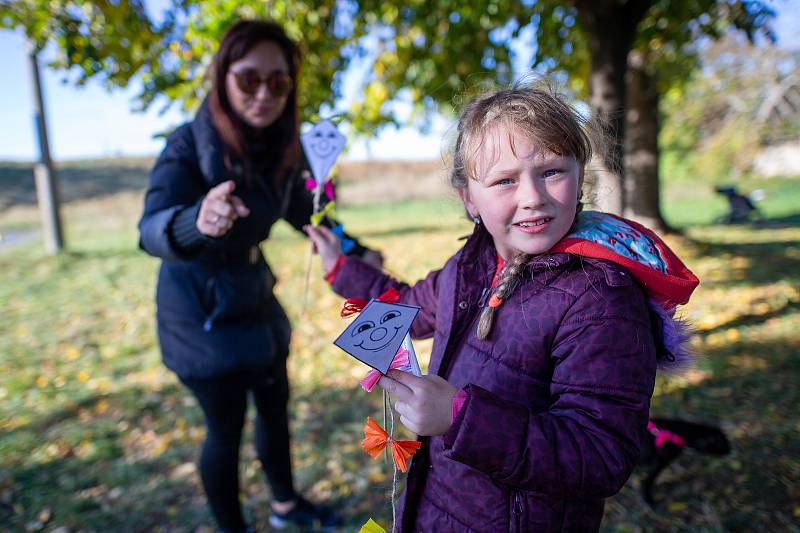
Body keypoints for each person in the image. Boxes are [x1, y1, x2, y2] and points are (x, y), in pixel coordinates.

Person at [306, 83, 698, 532]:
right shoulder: (469, 266)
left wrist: (458, 417)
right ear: (468, 198)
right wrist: (341, 270)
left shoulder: (601, 299)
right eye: (504, 180)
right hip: (440, 508)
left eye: (552, 171)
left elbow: (599, 455)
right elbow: (405, 307)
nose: (532, 196)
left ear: (580, 173)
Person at [138, 19, 382, 533]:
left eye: (278, 81)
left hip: (256, 303)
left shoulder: (283, 151)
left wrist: (356, 250)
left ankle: (286, 507)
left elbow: (306, 211)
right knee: (225, 430)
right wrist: (195, 220)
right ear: (223, 77)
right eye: (250, 79)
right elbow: (151, 228)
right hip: (199, 315)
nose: (264, 93)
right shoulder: (187, 145)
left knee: (275, 409)